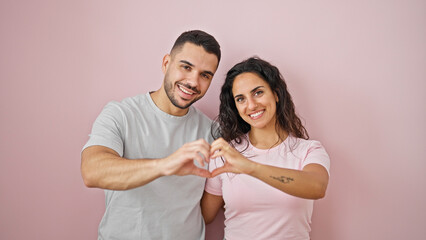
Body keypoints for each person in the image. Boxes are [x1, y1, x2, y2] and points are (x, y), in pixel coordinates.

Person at [81, 30, 221, 240]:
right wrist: (165, 165)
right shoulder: (121, 114)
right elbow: (92, 172)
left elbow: (207, 212)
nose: (193, 82)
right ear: (166, 63)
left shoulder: (213, 132)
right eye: (186, 67)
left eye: (205, 75)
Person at [201, 57, 330, 240]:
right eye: (241, 99)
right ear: (235, 107)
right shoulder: (225, 154)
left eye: (258, 92)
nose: (251, 105)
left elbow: (317, 187)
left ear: (276, 94)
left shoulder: (308, 150)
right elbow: (204, 217)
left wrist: (250, 167)